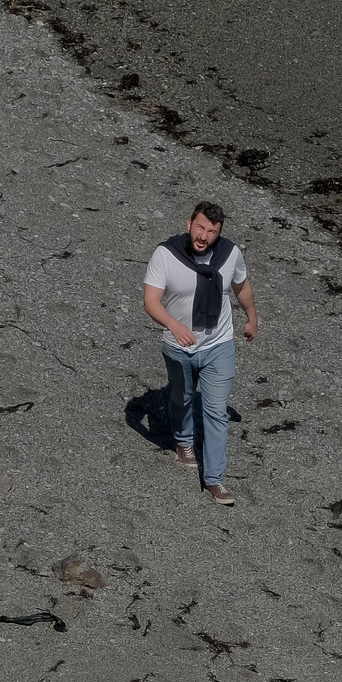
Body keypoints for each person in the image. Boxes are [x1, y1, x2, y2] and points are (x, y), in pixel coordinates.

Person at [141, 200, 258, 504]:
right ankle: (183, 443)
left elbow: (241, 285)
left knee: (216, 411)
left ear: (219, 234)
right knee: (180, 398)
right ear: (189, 223)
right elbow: (151, 300)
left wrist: (252, 317)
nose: (204, 236)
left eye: (212, 231)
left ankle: (215, 479)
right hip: (179, 347)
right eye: (200, 227)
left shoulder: (230, 253)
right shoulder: (166, 255)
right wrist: (172, 325)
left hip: (219, 345)